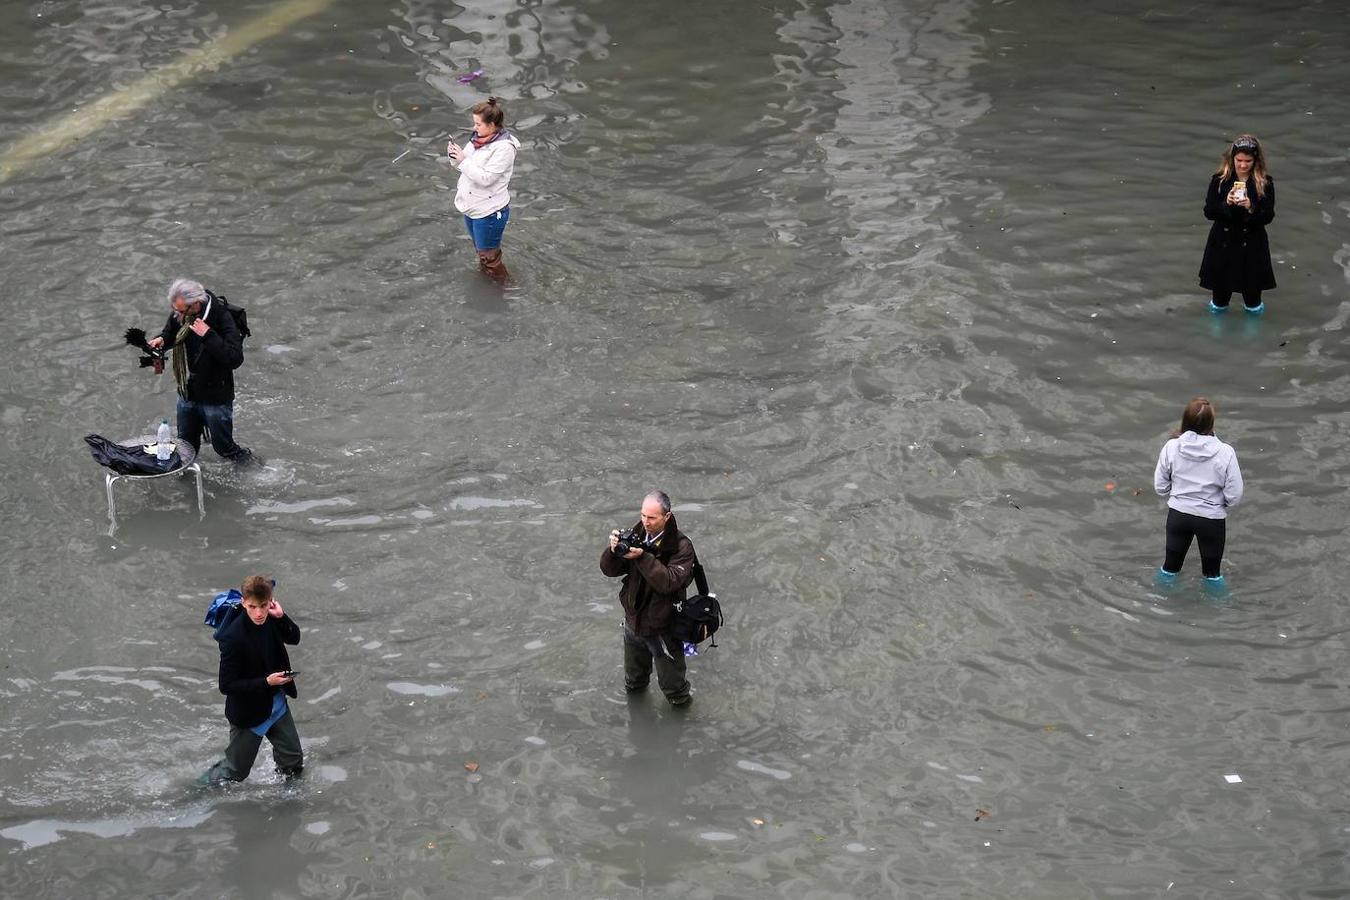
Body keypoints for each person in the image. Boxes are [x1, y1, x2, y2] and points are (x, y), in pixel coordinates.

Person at [201, 576, 303, 784]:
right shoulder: (233, 638)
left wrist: (282, 616)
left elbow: (294, 638)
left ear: (270, 601)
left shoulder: (272, 618)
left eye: (263, 606)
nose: (258, 613)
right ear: (243, 603)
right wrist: (266, 682)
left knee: (293, 759)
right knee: (235, 772)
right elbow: (226, 685)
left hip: (277, 704)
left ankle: (287, 802)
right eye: (252, 607)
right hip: (249, 714)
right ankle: (198, 789)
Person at [600, 491, 696, 707]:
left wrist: (643, 557)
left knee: (676, 693)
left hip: (664, 628)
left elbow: (669, 582)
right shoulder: (636, 534)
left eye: (652, 518)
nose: (645, 522)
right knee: (634, 684)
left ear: (667, 516)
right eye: (643, 515)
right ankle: (637, 728)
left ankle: (680, 732)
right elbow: (609, 571)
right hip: (634, 623)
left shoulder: (682, 547)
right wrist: (613, 551)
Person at [146, 278, 252, 462]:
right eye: (175, 310)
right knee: (185, 445)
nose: (177, 315)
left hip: (216, 395)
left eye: (180, 311)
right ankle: (187, 478)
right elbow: (171, 333)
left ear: (195, 304)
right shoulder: (181, 313)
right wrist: (161, 340)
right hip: (189, 390)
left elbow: (235, 358)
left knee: (224, 448)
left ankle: (250, 465)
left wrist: (208, 334)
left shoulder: (222, 316)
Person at [1154, 397, 1244, 586]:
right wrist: (1219, 503)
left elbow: (1160, 486)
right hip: (1211, 519)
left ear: (1185, 421)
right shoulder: (1225, 452)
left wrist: (1177, 495)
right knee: (1212, 575)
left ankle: (1158, 603)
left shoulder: (1171, 447)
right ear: (1211, 424)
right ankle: (1218, 611)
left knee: (1169, 569)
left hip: (1178, 516)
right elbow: (1234, 494)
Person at [1198, 134, 1276, 314]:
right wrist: (1226, 203)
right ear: (1232, 158)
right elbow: (1209, 212)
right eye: (1239, 160)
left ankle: (1254, 337)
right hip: (1222, 244)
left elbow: (1268, 216)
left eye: (1248, 161)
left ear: (1256, 160)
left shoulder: (1265, 183)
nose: (1242, 165)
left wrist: (1251, 208)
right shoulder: (1219, 181)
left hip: (1252, 247)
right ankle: (1215, 336)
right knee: (1219, 302)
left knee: (1253, 302)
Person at [446, 97, 521, 283]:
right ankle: (488, 281)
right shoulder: (477, 140)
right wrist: (454, 157)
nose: (474, 128)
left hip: (489, 211)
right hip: (472, 206)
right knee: (483, 251)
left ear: (492, 124)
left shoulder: (504, 149)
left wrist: (463, 160)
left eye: (478, 124)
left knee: (490, 256)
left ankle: (504, 288)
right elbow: (462, 166)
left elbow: (487, 179)